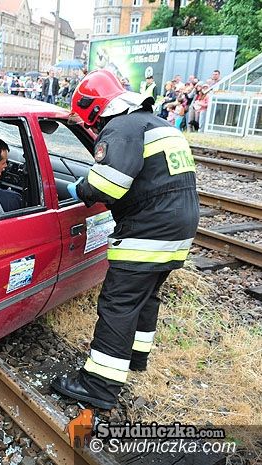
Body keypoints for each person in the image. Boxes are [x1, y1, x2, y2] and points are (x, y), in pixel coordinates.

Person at [51, 69, 199, 410]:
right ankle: (133, 357)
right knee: (145, 296)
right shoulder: (156, 123)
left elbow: (107, 187)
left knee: (118, 304)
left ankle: (98, 385)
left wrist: (79, 190)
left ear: (95, 110)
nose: (94, 127)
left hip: (148, 231)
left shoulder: (121, 128)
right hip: (178, 230)